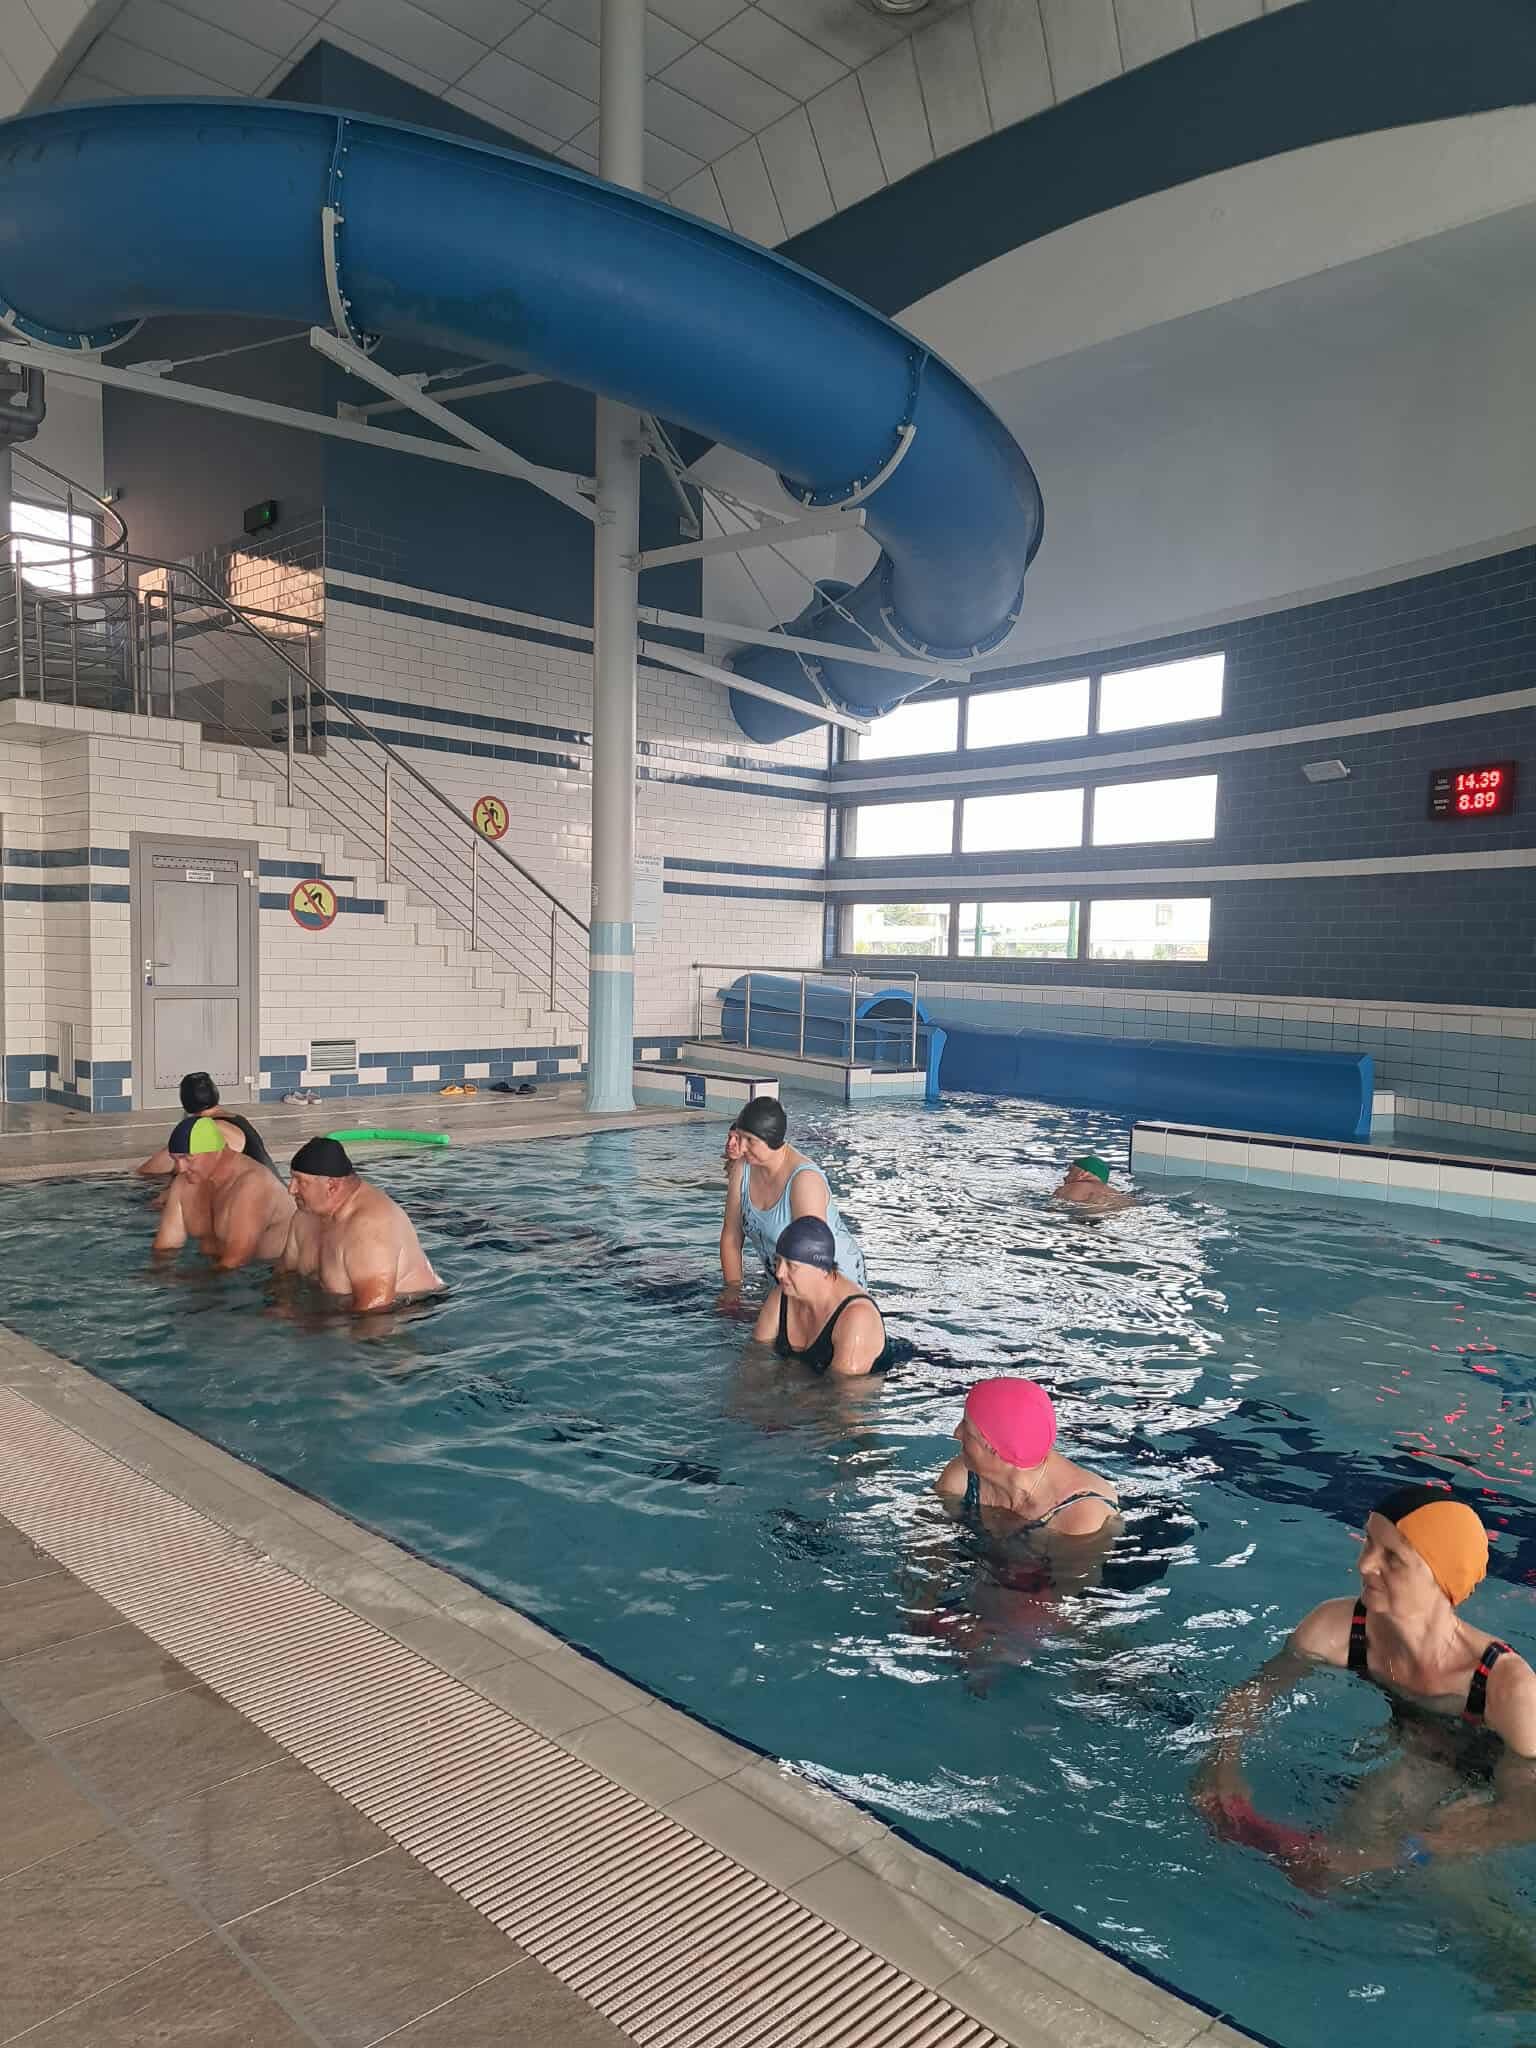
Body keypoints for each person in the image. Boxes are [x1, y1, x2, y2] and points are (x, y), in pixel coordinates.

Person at [1193, 1485, 1536, 1887]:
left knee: (1400, 1843)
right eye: (1369, 1542)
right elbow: (1252, 1696)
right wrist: (1222, 1764)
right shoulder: (1338, 1629)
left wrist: (1403, 1853)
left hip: (1484, 1775)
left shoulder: (1508, 1688)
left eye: (1392, 1557)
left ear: (1443, 1579)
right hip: (1418, 1742)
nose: (1365, 1563)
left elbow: (1525, 1814)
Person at [936, 1377, 1120, 1536]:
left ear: (995, 1450)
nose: (956, 1433)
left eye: (967, 1429)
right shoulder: (963, 1477)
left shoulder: (1082, 1517)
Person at [281, 1135, 443, 1312]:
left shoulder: (371, 1227)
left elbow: (375, 1312)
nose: (291, 1189)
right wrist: (282, 1307)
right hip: (339, 1311)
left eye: (300, 1182)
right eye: (292, 1179)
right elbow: (284, 1275)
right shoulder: (305, 1216)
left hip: (415, 1313)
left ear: (331, 1186)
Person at [719, 1097, 866, 1291]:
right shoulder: (743, 1168)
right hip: (787, 1282)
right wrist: (732, 1292)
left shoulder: (805, 1181)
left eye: (750, 1140)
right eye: (740, 1137)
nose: (742, 1147)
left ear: (771, 1140)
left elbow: (810, 1261)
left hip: (831, 1288)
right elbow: (731, 1237)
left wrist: (783, 1305)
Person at [751, 1217, 892, 1377]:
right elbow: (755, 1357)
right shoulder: (781, 1296)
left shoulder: (857, 1318)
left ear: (823, 1269)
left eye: (791, 1265)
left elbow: (843, 1389)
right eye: (778, 1261)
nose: (779, 1273)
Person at [151, 1115, 295, 1271]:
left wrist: (189, 1282)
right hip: (219, 1271)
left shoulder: (253, 1183)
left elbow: (237, 1260)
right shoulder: (184, 1182)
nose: (180, 1168)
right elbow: (164, 1250)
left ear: (215, 1150)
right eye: (175, 1160)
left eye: (187, 1158)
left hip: (268, 1275)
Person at [137, 1072, 275, 1179]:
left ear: (184, 1100)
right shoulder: (238, 1119)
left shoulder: (204, 1129)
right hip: (274, 1190)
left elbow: (150, 1169)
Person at [1051, 1154, 1133, 1212]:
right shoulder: (1120, 1195)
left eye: (1070, 1171)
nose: (1065, 1177)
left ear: (1083, 1174)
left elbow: (1053, 1210)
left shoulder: (1072, 1188)